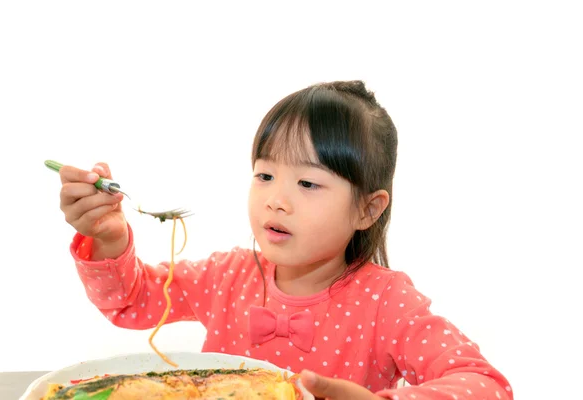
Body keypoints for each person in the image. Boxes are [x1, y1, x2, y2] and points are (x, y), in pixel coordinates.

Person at [56, 80, 513, 399]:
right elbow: (132, 302)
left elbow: (485, 385)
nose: (276, 200)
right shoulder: (227, 275)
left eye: (308, 184)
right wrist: (110, 239)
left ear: (367, 209)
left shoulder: (387, 301)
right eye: (265, 174)